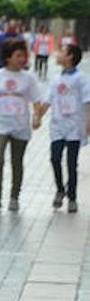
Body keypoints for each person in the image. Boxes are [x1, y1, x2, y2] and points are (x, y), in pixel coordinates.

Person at [0, 38, 47, 212]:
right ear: (8, 57)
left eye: (23, 55)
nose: (22, 59)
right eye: (18, 55)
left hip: (20, 126)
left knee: (17, 162)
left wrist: (37, 117)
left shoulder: (29, 78)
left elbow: (36, 100)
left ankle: (14, 196)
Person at [48, 44, 90, 212]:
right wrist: (37, 115)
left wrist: (88, 121)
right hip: (58, 125)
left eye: (62, 52)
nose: (58, 54)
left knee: (71, 163)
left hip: (74, 126)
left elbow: (88, 100)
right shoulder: (55, 79)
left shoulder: (81, 78)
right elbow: (47, 99)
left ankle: (72, 198)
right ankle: (60, 189)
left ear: (70, 57)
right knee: (55, 158)